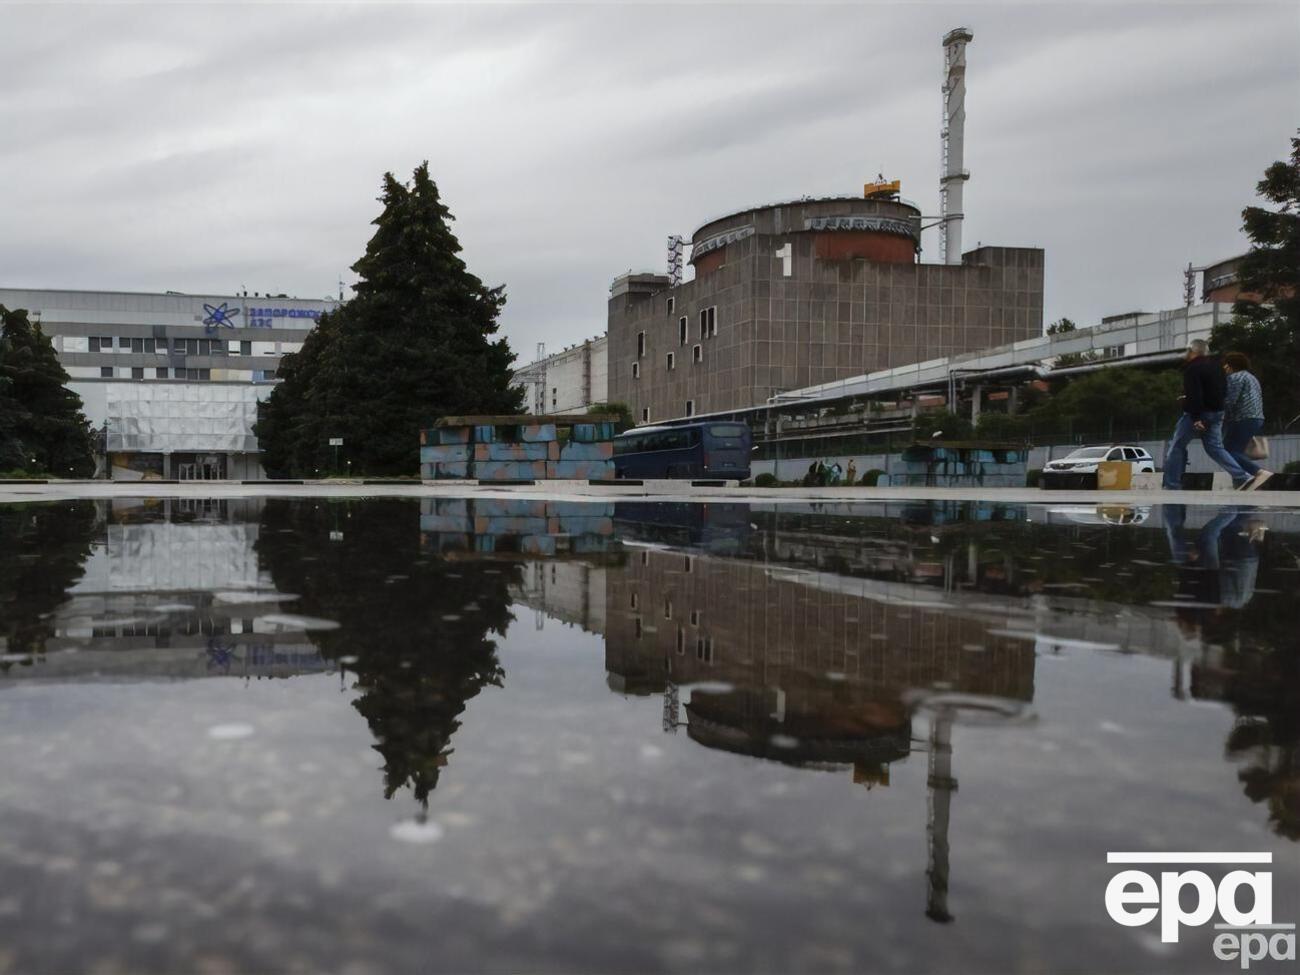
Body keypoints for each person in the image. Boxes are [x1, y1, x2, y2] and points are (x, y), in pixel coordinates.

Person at [1162, 340, 1251, 491]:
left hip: (1198, 414)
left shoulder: (1193, 368)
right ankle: (1242, 476)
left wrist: (1196, 417)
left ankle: (1172, 484)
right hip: (1217, 413)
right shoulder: (1217, 367)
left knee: (1176, 446)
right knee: (1215, 448)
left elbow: (1195, 393)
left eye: (1187, 351)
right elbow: (1223, 391)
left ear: (1192, 351)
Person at [1222, 352, 1272, 490]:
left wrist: (1218, 415)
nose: (1224, 368)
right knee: (1237, 450)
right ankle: (1241, 481)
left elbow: (1230, 401)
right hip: (1257, 417)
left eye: (1225, 365)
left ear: (1230, 365)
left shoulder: (1234, 377)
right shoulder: (1252, 377)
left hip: (1242, 418)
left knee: (1228, 451)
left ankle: (1258, 473)